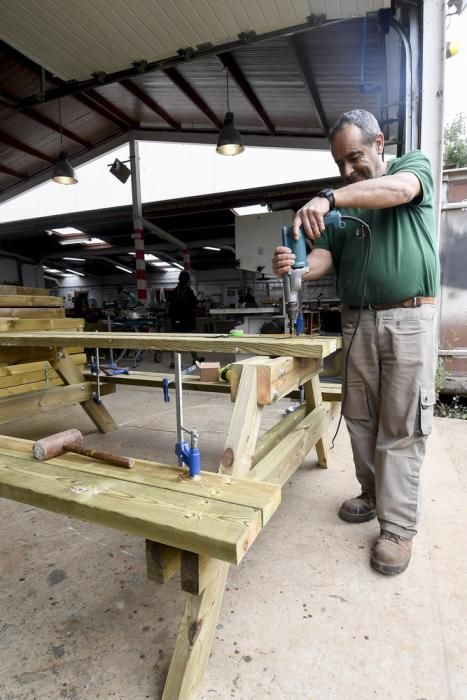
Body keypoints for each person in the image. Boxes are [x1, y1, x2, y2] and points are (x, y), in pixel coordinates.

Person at [272, 109, 439, 576]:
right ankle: (370, 493)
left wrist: (329, 196)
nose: (347, 170)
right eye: (339, 163)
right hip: (358, 321)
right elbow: (327, 255)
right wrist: (298, 266)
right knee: (361, 417)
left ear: (379, 143)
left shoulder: (412, 169)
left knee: (402, 423)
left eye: (355, 157)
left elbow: (399, 191)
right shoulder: (344, 211)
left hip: (408, 317)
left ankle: (398, 528)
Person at [167, 270, 202, 365]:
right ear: (187, 281)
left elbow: (170, 307)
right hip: (187, 321)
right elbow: (195, 303)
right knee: (190, 341)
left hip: (176, 322)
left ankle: (173, 362)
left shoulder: (173, 292)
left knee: (175, 342)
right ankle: (195, 359)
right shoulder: (189, 291)